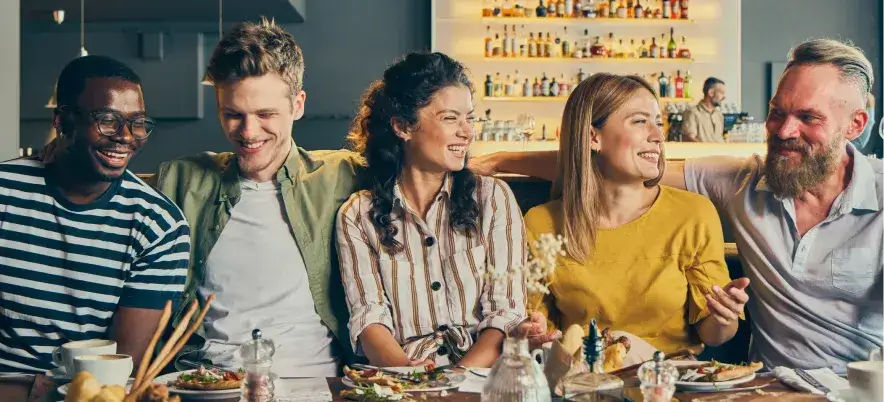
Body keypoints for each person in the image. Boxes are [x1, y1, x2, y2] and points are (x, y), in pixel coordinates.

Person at [154, 20, 557, 376]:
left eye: (265, 114)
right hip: (220, 377)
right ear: (401, 126)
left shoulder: (336, 175)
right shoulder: (186, 181)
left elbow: (588, 168)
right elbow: (369, 317)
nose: (248, 131)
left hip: (336, 378)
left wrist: (501, 158)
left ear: (298, 106)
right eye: (232, 114)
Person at [471, 38, 884, 373]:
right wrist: (497, 161)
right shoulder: (741, 182)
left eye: (809, 118)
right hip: (770, 385)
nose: (784, 130)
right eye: (777, 113)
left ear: (855, 125)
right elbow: (606, 163)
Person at [524, 73, 747, 355]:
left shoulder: (693, 214)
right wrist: (532, 331)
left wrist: (723, 315)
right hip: (585, 384)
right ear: (593, 136)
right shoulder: (540, 224)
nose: (658, 136)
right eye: (640, 121)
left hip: (668, 384)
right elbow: (540, 331)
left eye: (658, 122)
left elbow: (715, 335)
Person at [0, 55, 190, 373]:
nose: (126, 137)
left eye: (137, 122)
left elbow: (120, 371)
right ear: (62, 121)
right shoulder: (5, 192)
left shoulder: (159, 226)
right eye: (107, 120)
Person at [337, 52, 526, 368]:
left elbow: (506, 312)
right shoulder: (358, 215)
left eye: (470, 117)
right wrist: (413, 382)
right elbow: (369, 319)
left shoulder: (493, 198)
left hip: (484, 378)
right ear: (403, 127)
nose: (467, 131)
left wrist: (454, 383)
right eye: (451, 118)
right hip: (405, 377)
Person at [681, 77, 726, 143]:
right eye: (722, 93)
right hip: (702, 153)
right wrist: (707, 149)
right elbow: (689, 139)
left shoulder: (719, 115)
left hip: (720, 153)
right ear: (711, 93)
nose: (724, 97)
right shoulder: (693, 112)